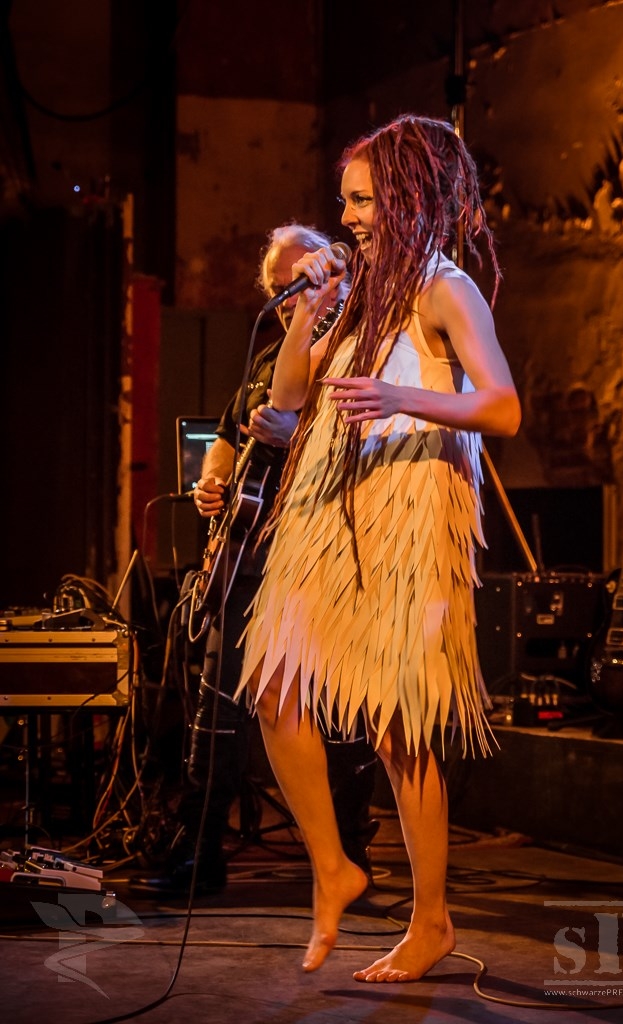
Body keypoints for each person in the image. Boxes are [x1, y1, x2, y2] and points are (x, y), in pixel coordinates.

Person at [234, 114, 522, 982]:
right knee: (273, 681)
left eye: (361, 200)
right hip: (330, 504)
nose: (347, 216)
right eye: (345, 201)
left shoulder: (445, 289)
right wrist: (308, 310)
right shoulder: (362, 290)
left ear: (406, 196)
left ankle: (430, 921)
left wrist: (404, 395)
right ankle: (333, 867)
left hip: (408, 510)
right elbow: (290, 398)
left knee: (402, 726)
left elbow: (503, 407)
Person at [136, 224, 378, 895]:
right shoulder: (273, 352)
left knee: (338, 708)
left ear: (333, 274)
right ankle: (199, 852)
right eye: (277, 287)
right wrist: (210, 482)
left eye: (297, 281)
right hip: (247, 550)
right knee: (216, 703)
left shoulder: (363, 343)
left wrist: (297, 434)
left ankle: (348, 858)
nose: (287, 296)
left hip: (325, 548)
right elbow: (224, 432)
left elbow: (374, 439)